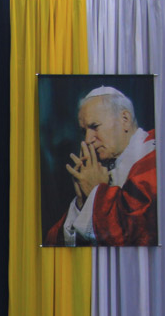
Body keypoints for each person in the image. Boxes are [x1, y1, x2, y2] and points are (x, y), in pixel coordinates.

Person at [43, 86, 156, 246]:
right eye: (84, 131)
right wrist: (82, 203)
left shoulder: (153, 159)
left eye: (95, 126)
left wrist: (96, 192)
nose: (88, 140)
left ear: (125, 120)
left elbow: (138, 235)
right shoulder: (102, 167)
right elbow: (51, 242)